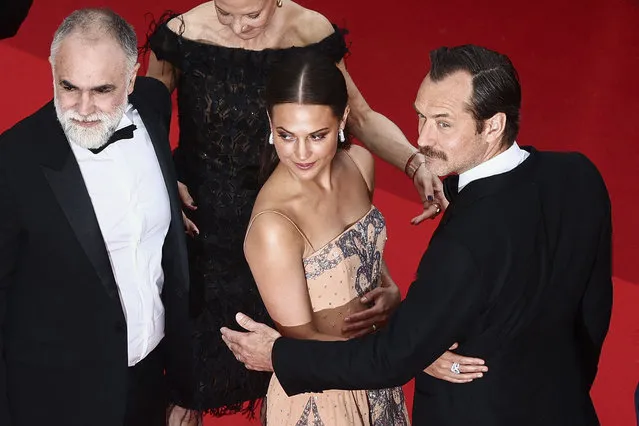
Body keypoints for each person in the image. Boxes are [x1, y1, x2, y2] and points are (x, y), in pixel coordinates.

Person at [221, 44, 614, 426]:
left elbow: (392, 357)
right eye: (420, 116)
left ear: (492, 125)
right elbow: (592, 316)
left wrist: (281, 356)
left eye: (443, 123)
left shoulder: (459, 241)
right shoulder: (580, 175)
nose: (423, 138)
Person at [144, 0, 445, 419]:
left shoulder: (311, 32)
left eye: (253, 15)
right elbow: (142, 122)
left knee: (302, 366)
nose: (239, 27)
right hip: (207, 234)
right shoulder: (181, 34)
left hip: (309, 221)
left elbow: (358, 114)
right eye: (225, 13)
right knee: (188, 388)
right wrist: (158, 176)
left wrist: (416, 164)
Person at [0, 8, 193, 426]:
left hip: (150, 380)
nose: (83, 108)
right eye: (68, 86)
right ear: (52, 69)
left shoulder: (153, 105)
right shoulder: (12, 162)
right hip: (59, 401)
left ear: (131, 77)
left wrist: (182, 385)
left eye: (103, 90)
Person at [244, 51, 411, 424]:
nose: (300, 154)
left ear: (343, 120)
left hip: (376, 377)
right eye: (285, 135)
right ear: (270, 124)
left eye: (317, 136)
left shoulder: (359, 163)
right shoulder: (274, 225)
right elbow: (299, 344)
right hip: (324, 398)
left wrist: (390, 288)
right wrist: (407, 353)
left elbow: (361, 252)